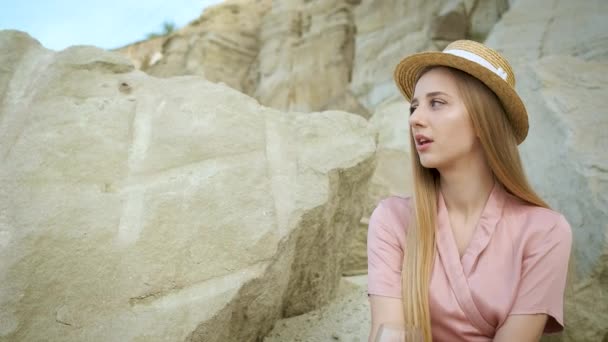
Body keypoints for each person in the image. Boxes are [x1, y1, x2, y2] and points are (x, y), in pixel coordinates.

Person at [366, 40, 573, 342]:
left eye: (436, 103)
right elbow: (388, 334)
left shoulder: (545, 232)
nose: (414, 118)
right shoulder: (391, 220)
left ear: (482, 121)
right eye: (414, 106)